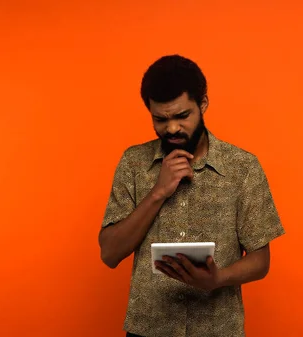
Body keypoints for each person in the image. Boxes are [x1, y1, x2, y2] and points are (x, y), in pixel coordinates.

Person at [99, 54, 285, 337]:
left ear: (203, 104)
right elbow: (110, 253)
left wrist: (218, 278)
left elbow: (261, 260)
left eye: (182, 116)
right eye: (160, 119)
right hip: (148, 330)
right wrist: (159, 192)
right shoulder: (134, 163)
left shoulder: (243, 167)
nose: (172, 128)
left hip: (218, 330)